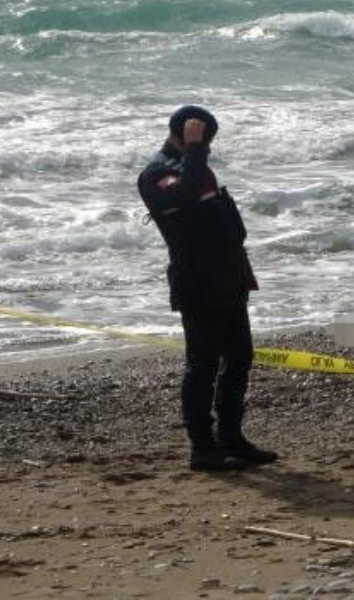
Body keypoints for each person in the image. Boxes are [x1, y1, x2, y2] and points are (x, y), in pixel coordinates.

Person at [138, 105, 278, 471]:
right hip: (197, 282)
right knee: (202, 364)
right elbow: (182, 199)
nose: (207, 149)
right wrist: (195, 148)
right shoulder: (156, 174)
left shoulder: (195, 166)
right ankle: (202, 447)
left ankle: (232, 437)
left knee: (239, 358)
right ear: (185, 137)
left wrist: (197, 152)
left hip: (229, 277)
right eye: (203, 142)